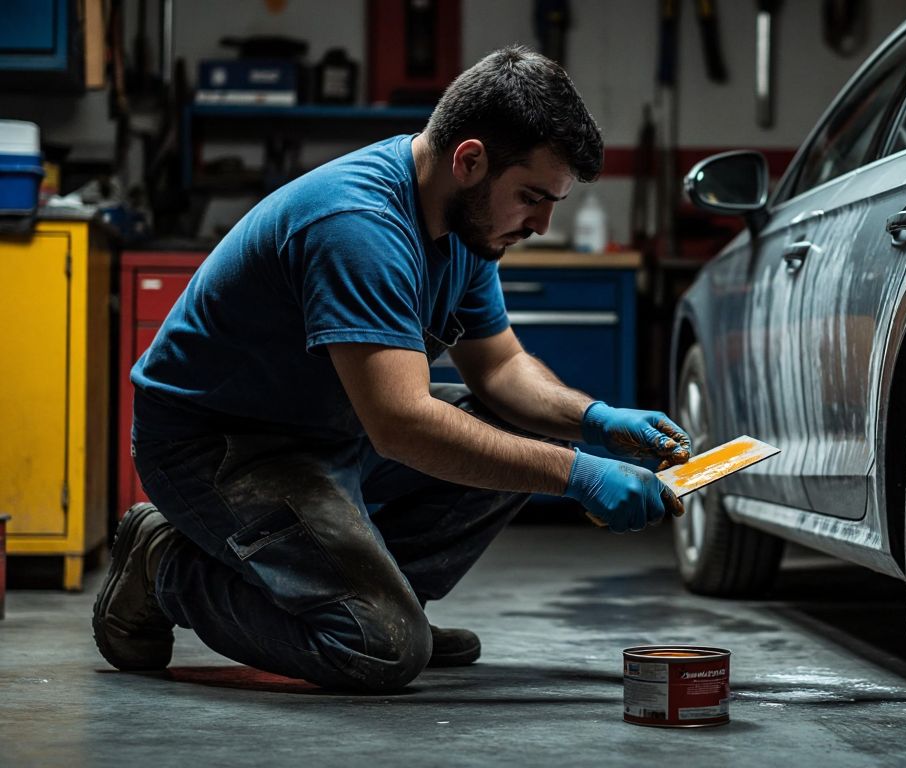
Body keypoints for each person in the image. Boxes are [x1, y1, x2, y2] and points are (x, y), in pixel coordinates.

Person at [92, 46, 691, 693]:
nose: (542, 224)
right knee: (379, 650)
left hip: (326, 432)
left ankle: (381, 594)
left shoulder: (466, 226)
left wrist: (595, 422)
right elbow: (401, 425)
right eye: (532, 198)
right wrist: (578, 476)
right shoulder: (360, 225)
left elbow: (501, 366)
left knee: (534, 428)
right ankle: (163, 562)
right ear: (469, 161)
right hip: (219, 449)